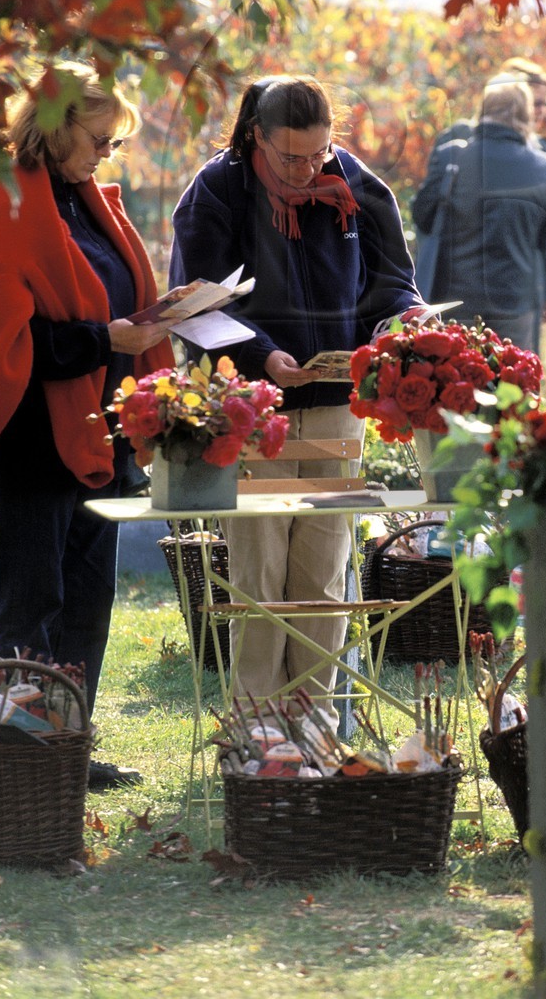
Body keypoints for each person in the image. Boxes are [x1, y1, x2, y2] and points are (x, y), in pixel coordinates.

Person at [0, 63, 172, 789]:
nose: (106, 153)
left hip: (102, 429)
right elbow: (3, 348)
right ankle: (21, 755)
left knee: (89, 596)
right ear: (58, 128)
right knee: (34, 598)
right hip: (34, 437)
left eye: (114, 142)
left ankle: (69, 748)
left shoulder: (89, 203)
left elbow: (108, 304)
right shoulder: (2, 210)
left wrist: (155, 318)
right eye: (99, 138)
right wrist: (108, 340)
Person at [169, 75, 422, 702]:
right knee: (259, 578)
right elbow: (194, 305)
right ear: (257, 135)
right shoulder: (218, 191)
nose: (310, 169)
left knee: (324, 579)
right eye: (291, 157)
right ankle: (256, 733)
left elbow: (393, 280)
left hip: (339, 407)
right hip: (254, 410)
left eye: (320, 152)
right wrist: (263, 356)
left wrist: (405, 319)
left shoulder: (356, 183)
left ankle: (312, 727)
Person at [413, 78, 546, 354]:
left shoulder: (452, 157)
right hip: (515, 304)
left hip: (454, 302)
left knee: (455, 387)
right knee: (512, 386)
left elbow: (422, 217)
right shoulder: (541, 166)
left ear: (483, 111)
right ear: (526, 115)